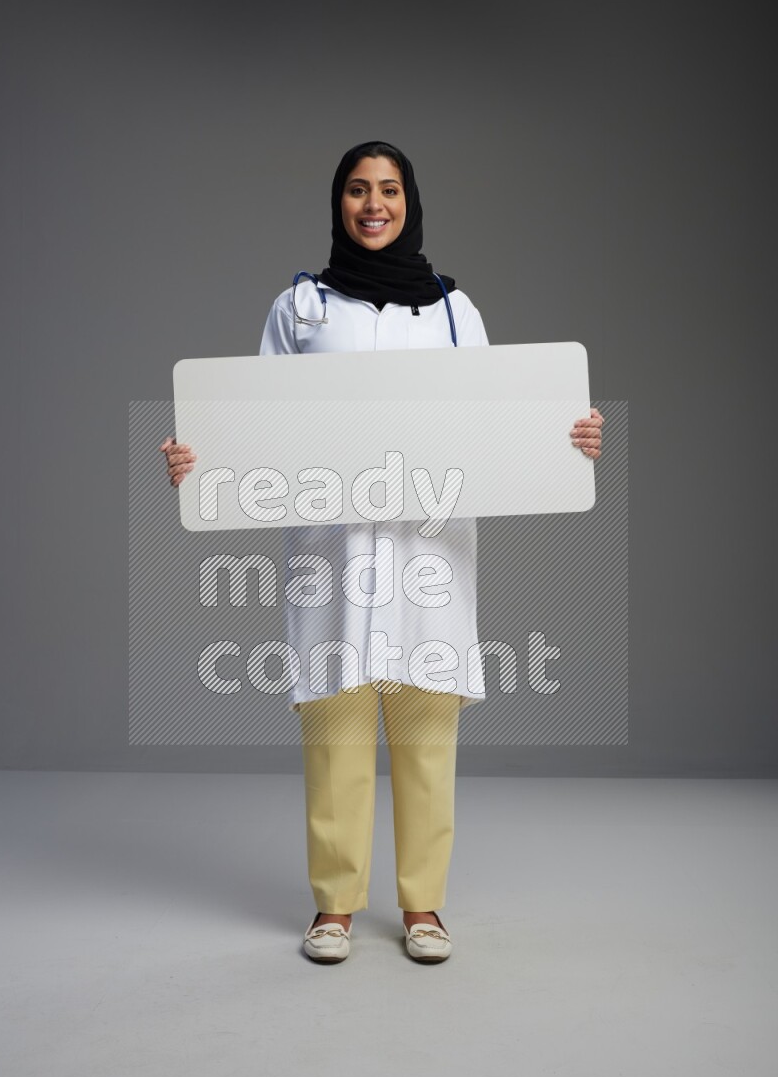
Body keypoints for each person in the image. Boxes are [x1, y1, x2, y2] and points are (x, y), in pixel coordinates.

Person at [159, 140, 604, 965]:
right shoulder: (299, 311)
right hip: (331, 556)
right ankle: (334, 906)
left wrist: (565, 435)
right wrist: (199, 459)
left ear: (410, 201)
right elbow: (252, 427)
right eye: (358, 190)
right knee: (335, 723)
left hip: (427, 550)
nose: (374, 204)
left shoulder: (451, 312)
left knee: (427, 723)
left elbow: (501, 418)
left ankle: (423, 906)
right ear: (338, 203)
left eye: (389, 190)